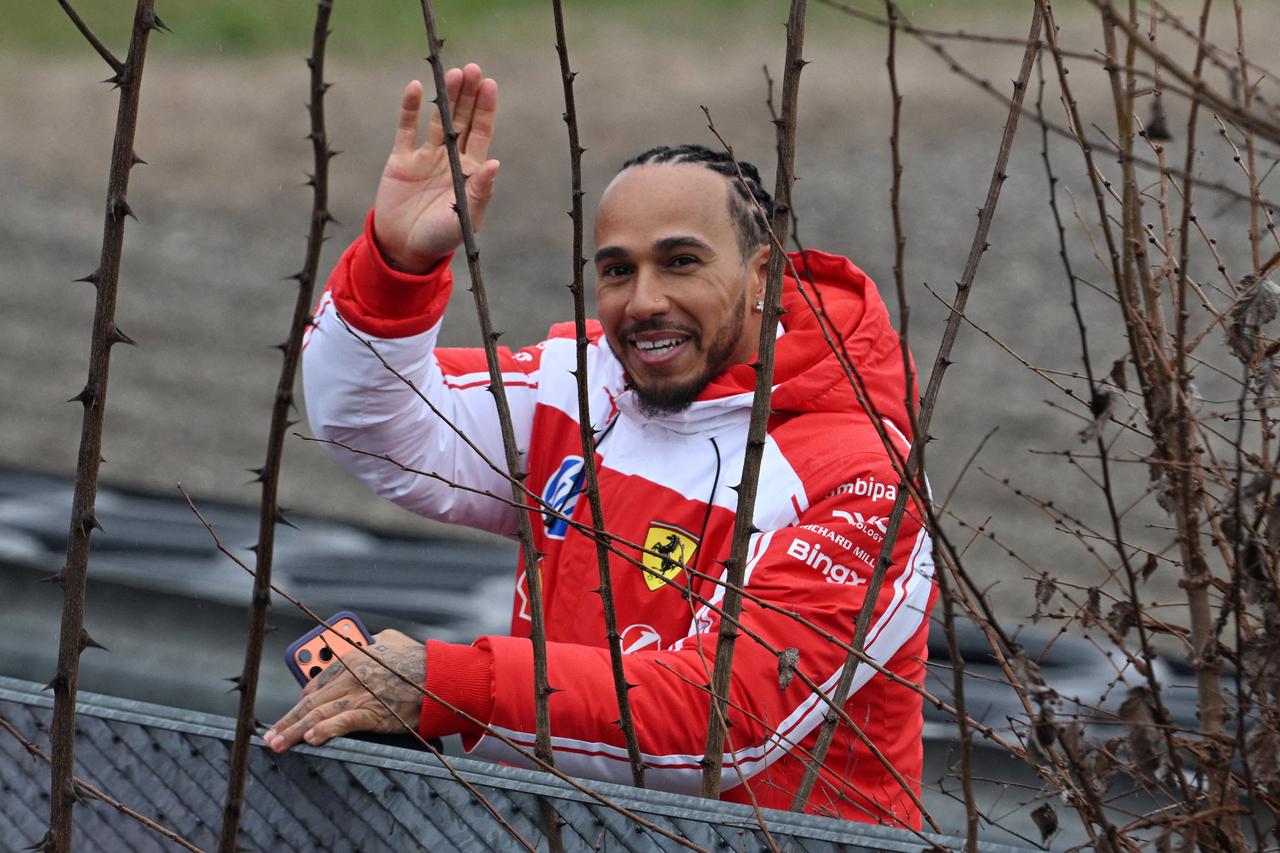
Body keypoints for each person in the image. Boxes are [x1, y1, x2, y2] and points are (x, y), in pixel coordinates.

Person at [264, 63, 936, 827]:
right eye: (617, 270)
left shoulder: (860, 477)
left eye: (680, 262)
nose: (644, 301)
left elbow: (721, 724)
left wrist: (448, 681)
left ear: (762, 273)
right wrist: (400, 263)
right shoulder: (584, 385)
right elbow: (377, 426)